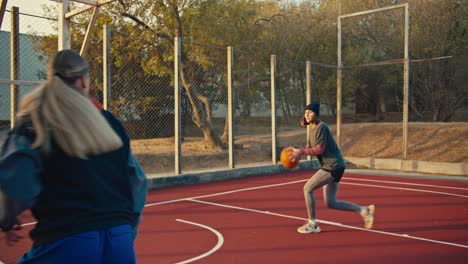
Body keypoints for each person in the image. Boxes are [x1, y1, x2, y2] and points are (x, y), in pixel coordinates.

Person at [0, 49, 147, 263]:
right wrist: (125, 230)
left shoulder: (35, 121)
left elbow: (16, 182)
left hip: (66, 240)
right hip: (119, 240)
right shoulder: (110, 123)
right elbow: (137, 183)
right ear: (84, 82)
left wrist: (7, 218)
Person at [289, 101, 375, 234]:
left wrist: (301, 152)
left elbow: (319, 149)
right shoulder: (311, 129)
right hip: (336, 166)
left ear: (316, 114)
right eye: (305, 112)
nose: (307, 115)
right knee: (331, 203)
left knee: (307, 188)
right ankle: (364, 210)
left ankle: (313, 224)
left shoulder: (321, 127)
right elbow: (309, 148)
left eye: (310, 112)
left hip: (332, 166)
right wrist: (298, 153)